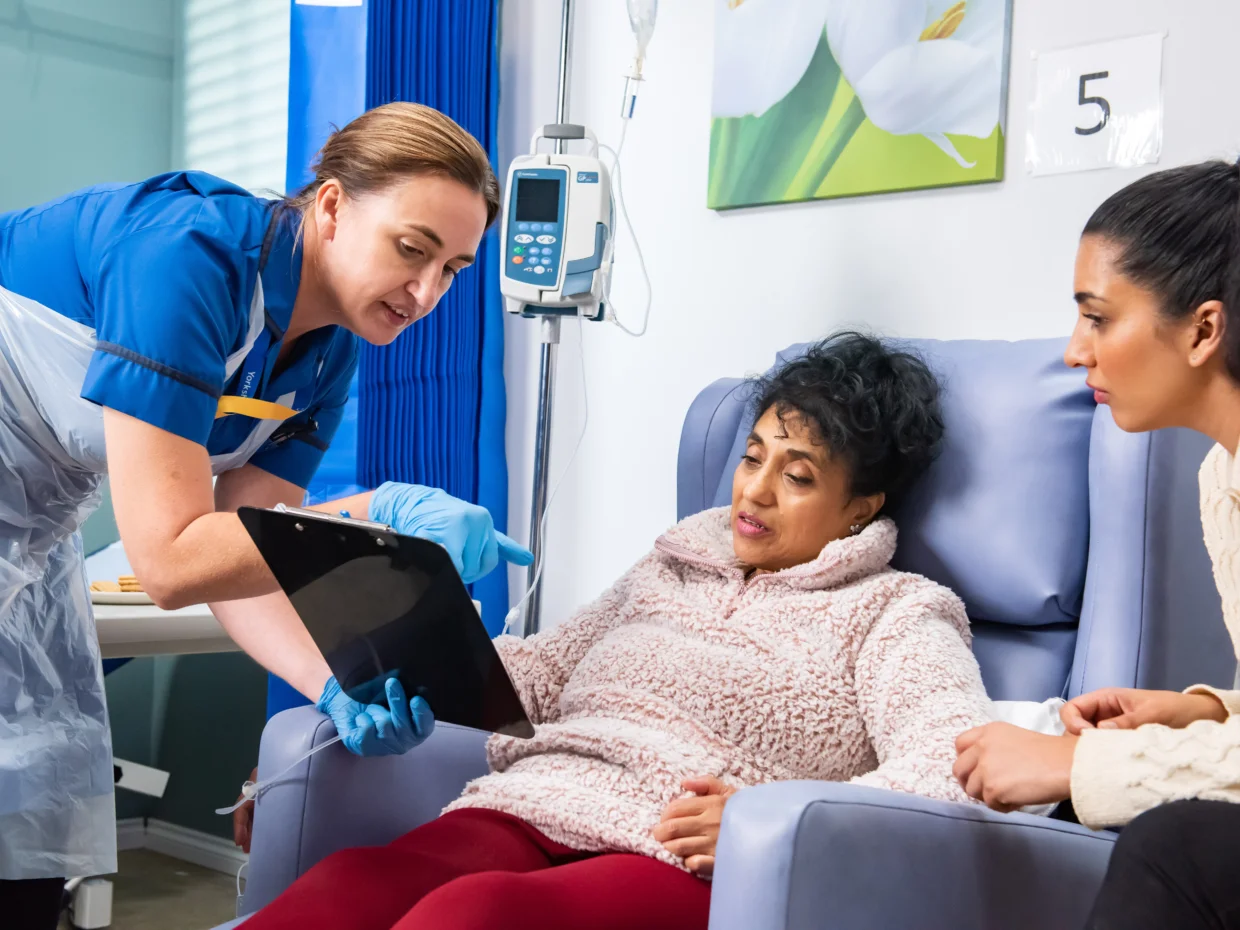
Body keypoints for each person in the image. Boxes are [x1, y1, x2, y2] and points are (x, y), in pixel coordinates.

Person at [237, 333, 994, 930]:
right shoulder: (671, 564)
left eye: (797, 476)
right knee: (346, 889)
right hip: (537, 802)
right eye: (752, 457)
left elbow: (955, 764)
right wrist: (392, 653)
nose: (754, 491)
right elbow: (533, 675)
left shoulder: (897, 611)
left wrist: (774, 818)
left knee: (472, 919)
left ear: (862, 504)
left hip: (677, 855)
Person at [0, 102, 532, 927]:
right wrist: (380, 516)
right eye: (411, 249)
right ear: (328, 206)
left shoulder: (328, 351)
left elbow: (244, 557)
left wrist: (331, 686)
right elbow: (173, 561)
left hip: (28, 529)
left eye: (454, 269)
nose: (427, 292)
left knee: (21, 835)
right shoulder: (190, 258)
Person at [952, 160, 1240, 930]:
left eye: (1099, 318)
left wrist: (1077, 764)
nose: (1077, 351)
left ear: (1204, 329)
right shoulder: (1224, 479)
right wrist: (1197, 715)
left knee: (1178, 845)